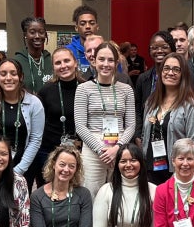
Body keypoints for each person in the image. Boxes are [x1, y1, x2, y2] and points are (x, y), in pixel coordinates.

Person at [74, 41, 137, 196]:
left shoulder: (126, 90)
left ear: (116, 63)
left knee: (119, 193)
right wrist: (101, 150)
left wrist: (117, 149)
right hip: (93, 149)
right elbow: (80, 126)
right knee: (91, 194)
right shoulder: (83, 89)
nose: (106, 64)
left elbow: (131, 125)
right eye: (101, 59)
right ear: (94, 61)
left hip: (120, 148)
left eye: (110, 60)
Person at [140, 51, 194, 184]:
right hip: (151, 168)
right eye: (166, 68)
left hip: (177, 170)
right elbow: (145, 135)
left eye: (176, 69)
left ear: (183, 74)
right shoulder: (151, 101)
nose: (170, 73)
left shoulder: (192, 104)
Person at [0, 58, 46, 182]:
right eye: (3, 74)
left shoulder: (34, 103)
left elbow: (35, 140)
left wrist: (18, 170)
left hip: (24, 167)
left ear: (21, 77)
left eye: (13, 74)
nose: (8, 78)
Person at [38, 47, 83, 159]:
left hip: (81, 151)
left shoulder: (86, 88)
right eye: (58, 63)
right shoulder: (45, 91)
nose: (63, 66)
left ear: (75, 63)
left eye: (67, 61)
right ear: (53, 67)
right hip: (50, 152)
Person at [134, 30, 178, 123]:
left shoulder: (183, 76)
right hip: (147, 132)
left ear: (172, 49)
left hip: (173, 133)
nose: (159, 51)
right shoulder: (143, 79)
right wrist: (138, 134)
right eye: (154, 48)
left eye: (164, 47)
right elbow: (137, 110)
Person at [13, 16, 53, 93]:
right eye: (32, 32)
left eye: (41, 32)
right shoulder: (17, 61)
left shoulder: (51, 60)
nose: (37, 36)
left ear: (45, 35)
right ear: (25, 35)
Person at [65, 4, 101, 76]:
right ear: (76, 28)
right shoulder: (67, 51)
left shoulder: (106, 50)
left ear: (97, 27)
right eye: (83, 23)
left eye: (92, 23)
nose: (87, 26)